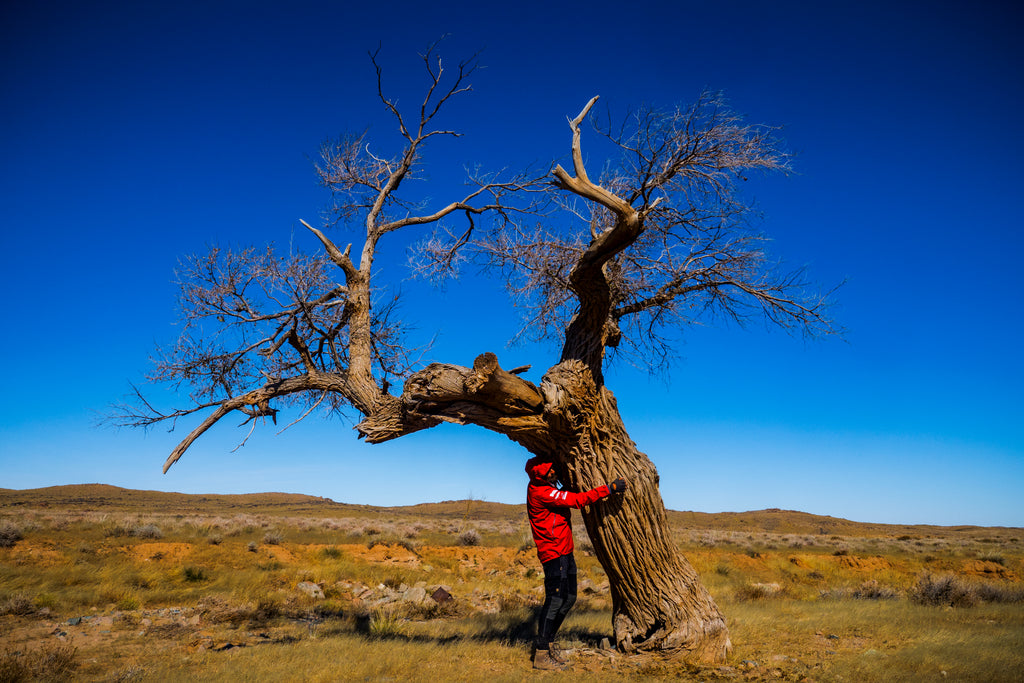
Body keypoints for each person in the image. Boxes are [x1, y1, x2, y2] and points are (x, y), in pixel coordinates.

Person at [524, 456, 627, 671]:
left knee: (569, 598)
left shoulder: (547, 486)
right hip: (553, 553)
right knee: (554, 600)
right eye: (551, 471)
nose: (555, 472)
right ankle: (542, 655)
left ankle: (549, 644)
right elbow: (576, 501)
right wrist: (609, 488)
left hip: (565, 551)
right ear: (542, 475)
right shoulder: (542, 492)